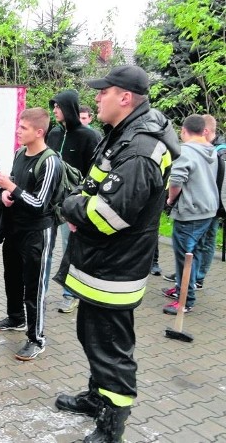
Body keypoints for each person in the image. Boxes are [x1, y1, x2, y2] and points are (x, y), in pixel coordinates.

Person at [53, 65, 179, 443]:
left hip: (115, 268)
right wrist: (82, 204)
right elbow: (101, 187)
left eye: (103, 91)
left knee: (111, 348)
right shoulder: (126, 132)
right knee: (93, 336)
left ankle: (112, 427)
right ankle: (97, 397)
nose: (96, 97)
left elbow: (110, 214)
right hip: (101, 262)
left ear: (125, 97)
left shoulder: (140, 148)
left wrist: (71, 207)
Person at [0, 108, 61, 361]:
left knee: (35, 287)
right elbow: (18, 187)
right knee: (12, 277)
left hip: (38, 233)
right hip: (15, 228)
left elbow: (41, 202)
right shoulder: (20, 152)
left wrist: (12, 187)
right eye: (19, 126)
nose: (18, 131)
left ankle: (36, 339)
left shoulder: (50, 160)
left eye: (23, 128)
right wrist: (6, 194)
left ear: (39, 132)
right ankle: (16, 318)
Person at [46, 90, 100, 314]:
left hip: (74, 203)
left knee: (71, 249)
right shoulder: (54, 134)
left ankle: (70, 294)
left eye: (58, 106)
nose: (55, 110)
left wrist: (82, 202)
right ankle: (41, 289)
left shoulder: (89, 137)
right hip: (51, 202)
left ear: (68, 107)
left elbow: (94, 173)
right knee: (45, 247)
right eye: (54, 106)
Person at [160, 114, 219, 315]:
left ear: (184, 131)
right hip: (208, 210)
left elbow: (176, 180)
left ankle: (185, 301)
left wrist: (170, 200)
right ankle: (181, 289)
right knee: (194, 254)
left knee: (184, 257)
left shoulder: (185, 151)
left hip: (191, 212)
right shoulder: (211, 149)